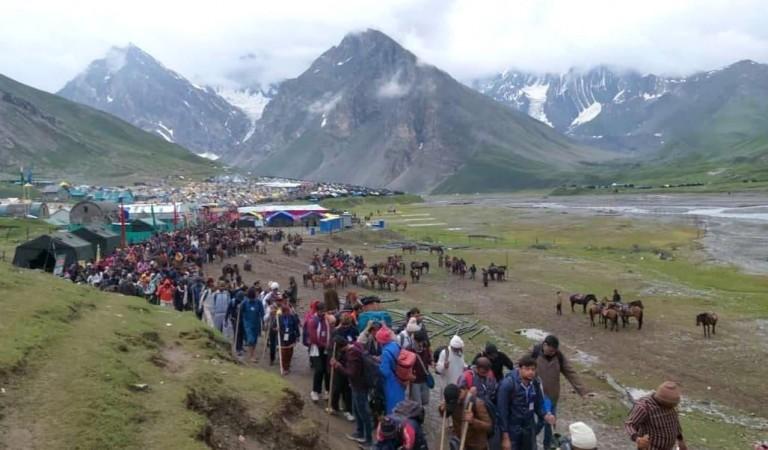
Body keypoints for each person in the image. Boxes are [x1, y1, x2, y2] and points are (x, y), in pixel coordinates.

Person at [530, 335, 588, 450]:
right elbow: (520, 366)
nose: (552, 353)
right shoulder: (534, 352)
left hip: (551, 397)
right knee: (541, 421)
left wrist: (582, 391)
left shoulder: (559, 356)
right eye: (551, 350)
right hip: (536, 396)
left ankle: (548, 446)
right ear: (545, 345)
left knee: (550, 423)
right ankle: (529, 439)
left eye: (554, 351)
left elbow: (570, 372)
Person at [497, 355, 555, 450]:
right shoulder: (507, 385)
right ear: (520, 369)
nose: (530, 372)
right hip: (512, 430)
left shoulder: (535, 384)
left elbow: (539, 403)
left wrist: (545, 415)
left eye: (533, 369)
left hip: (528, 429)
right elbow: (502, 412)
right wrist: (505, 437)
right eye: (527, 369)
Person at [331, 335, 374, 447]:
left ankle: (368, 438)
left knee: (363, 412)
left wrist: (338, 366)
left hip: (359, 386)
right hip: (357, 385)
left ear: (340, 347)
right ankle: (359, 432)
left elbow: (351, 373)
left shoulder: (352, 354)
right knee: (356, 410)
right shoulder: (355, 347)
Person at [624, 381, 687, 450]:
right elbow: (629, 424)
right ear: (662, 401)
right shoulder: (645, 407)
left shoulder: (670, 406)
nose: (671, 407)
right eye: (669, 405)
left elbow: (674, 422)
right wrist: (638, 439)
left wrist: (680, 440)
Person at [440, 383, 492, 450]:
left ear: (459, 395)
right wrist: (441, 410)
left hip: (477, 446)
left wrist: (473, 421)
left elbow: (488, 426)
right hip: (460, 443)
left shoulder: (477, 403)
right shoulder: (452, 402)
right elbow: (445, 415)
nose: (454, 406)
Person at [378, 326, 405, 414]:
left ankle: (392, 423)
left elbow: (384, 372)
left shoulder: (386, 352)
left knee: (391, 404)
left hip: (390, 381)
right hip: (399, 378)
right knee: (400, 401)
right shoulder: (395, 345)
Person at [308, 302, 331, 402]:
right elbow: (313, 338)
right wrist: (323, 344)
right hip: (316, 349)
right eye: (321, 311)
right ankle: (315, 391)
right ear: (317, 311)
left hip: (326, 348)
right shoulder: (313, 321)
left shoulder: (326, 320)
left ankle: (327, 390)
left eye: (324, 311)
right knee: (319, 370)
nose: (323, 313)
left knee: (327, 370)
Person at [330, 335, 355, 422]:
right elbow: (332, 357)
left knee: (347, 392)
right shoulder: (335, 348)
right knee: (336, 389)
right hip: (338, 373)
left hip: (347, 373)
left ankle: (348, 410)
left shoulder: (351, 351)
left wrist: (338, 365)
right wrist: (332, 362)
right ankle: (334, 407)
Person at [240, 288, 264, 363]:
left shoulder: (258, 302)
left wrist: (264, 322)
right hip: (248, 323)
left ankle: (252, 354)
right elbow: (240, 311)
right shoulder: (244, 302)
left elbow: (262, 313)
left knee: (255, 340)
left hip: (256, 323)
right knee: (251, 339)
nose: (252, 299)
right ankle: (251, 356)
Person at [410, 329, 432, 407]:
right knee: (417, 404)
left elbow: (429, 359)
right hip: (415, 381)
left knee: (425, 400)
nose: (420, 344)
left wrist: (432, 362)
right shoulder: (410, 350)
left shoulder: (425, 349)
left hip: (424, 379)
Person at [277, 301, 300, 374]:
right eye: (287, 311)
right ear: (283, 312)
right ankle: (284, 367)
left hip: (291, 337)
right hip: (282, 337)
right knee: (283, 353)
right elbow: (273, 327)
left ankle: (287, 366)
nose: (289, 312)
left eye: (289, 311)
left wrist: (297, 336)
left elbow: (296, 327)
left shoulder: (292, 317)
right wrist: (275, 328)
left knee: (290, 353)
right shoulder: (279, 318)